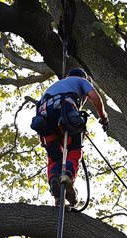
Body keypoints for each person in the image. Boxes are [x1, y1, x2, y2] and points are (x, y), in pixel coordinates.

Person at [35, 68, 108, 205]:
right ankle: (67, 176)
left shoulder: (52, 87)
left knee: (54, 155)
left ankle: (54, 181)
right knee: (74, 150)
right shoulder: (81, 80)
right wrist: (103, 118)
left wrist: (43, 140)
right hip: (65, 112)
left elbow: (40, 114)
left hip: (45, 120)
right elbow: (94, 96)